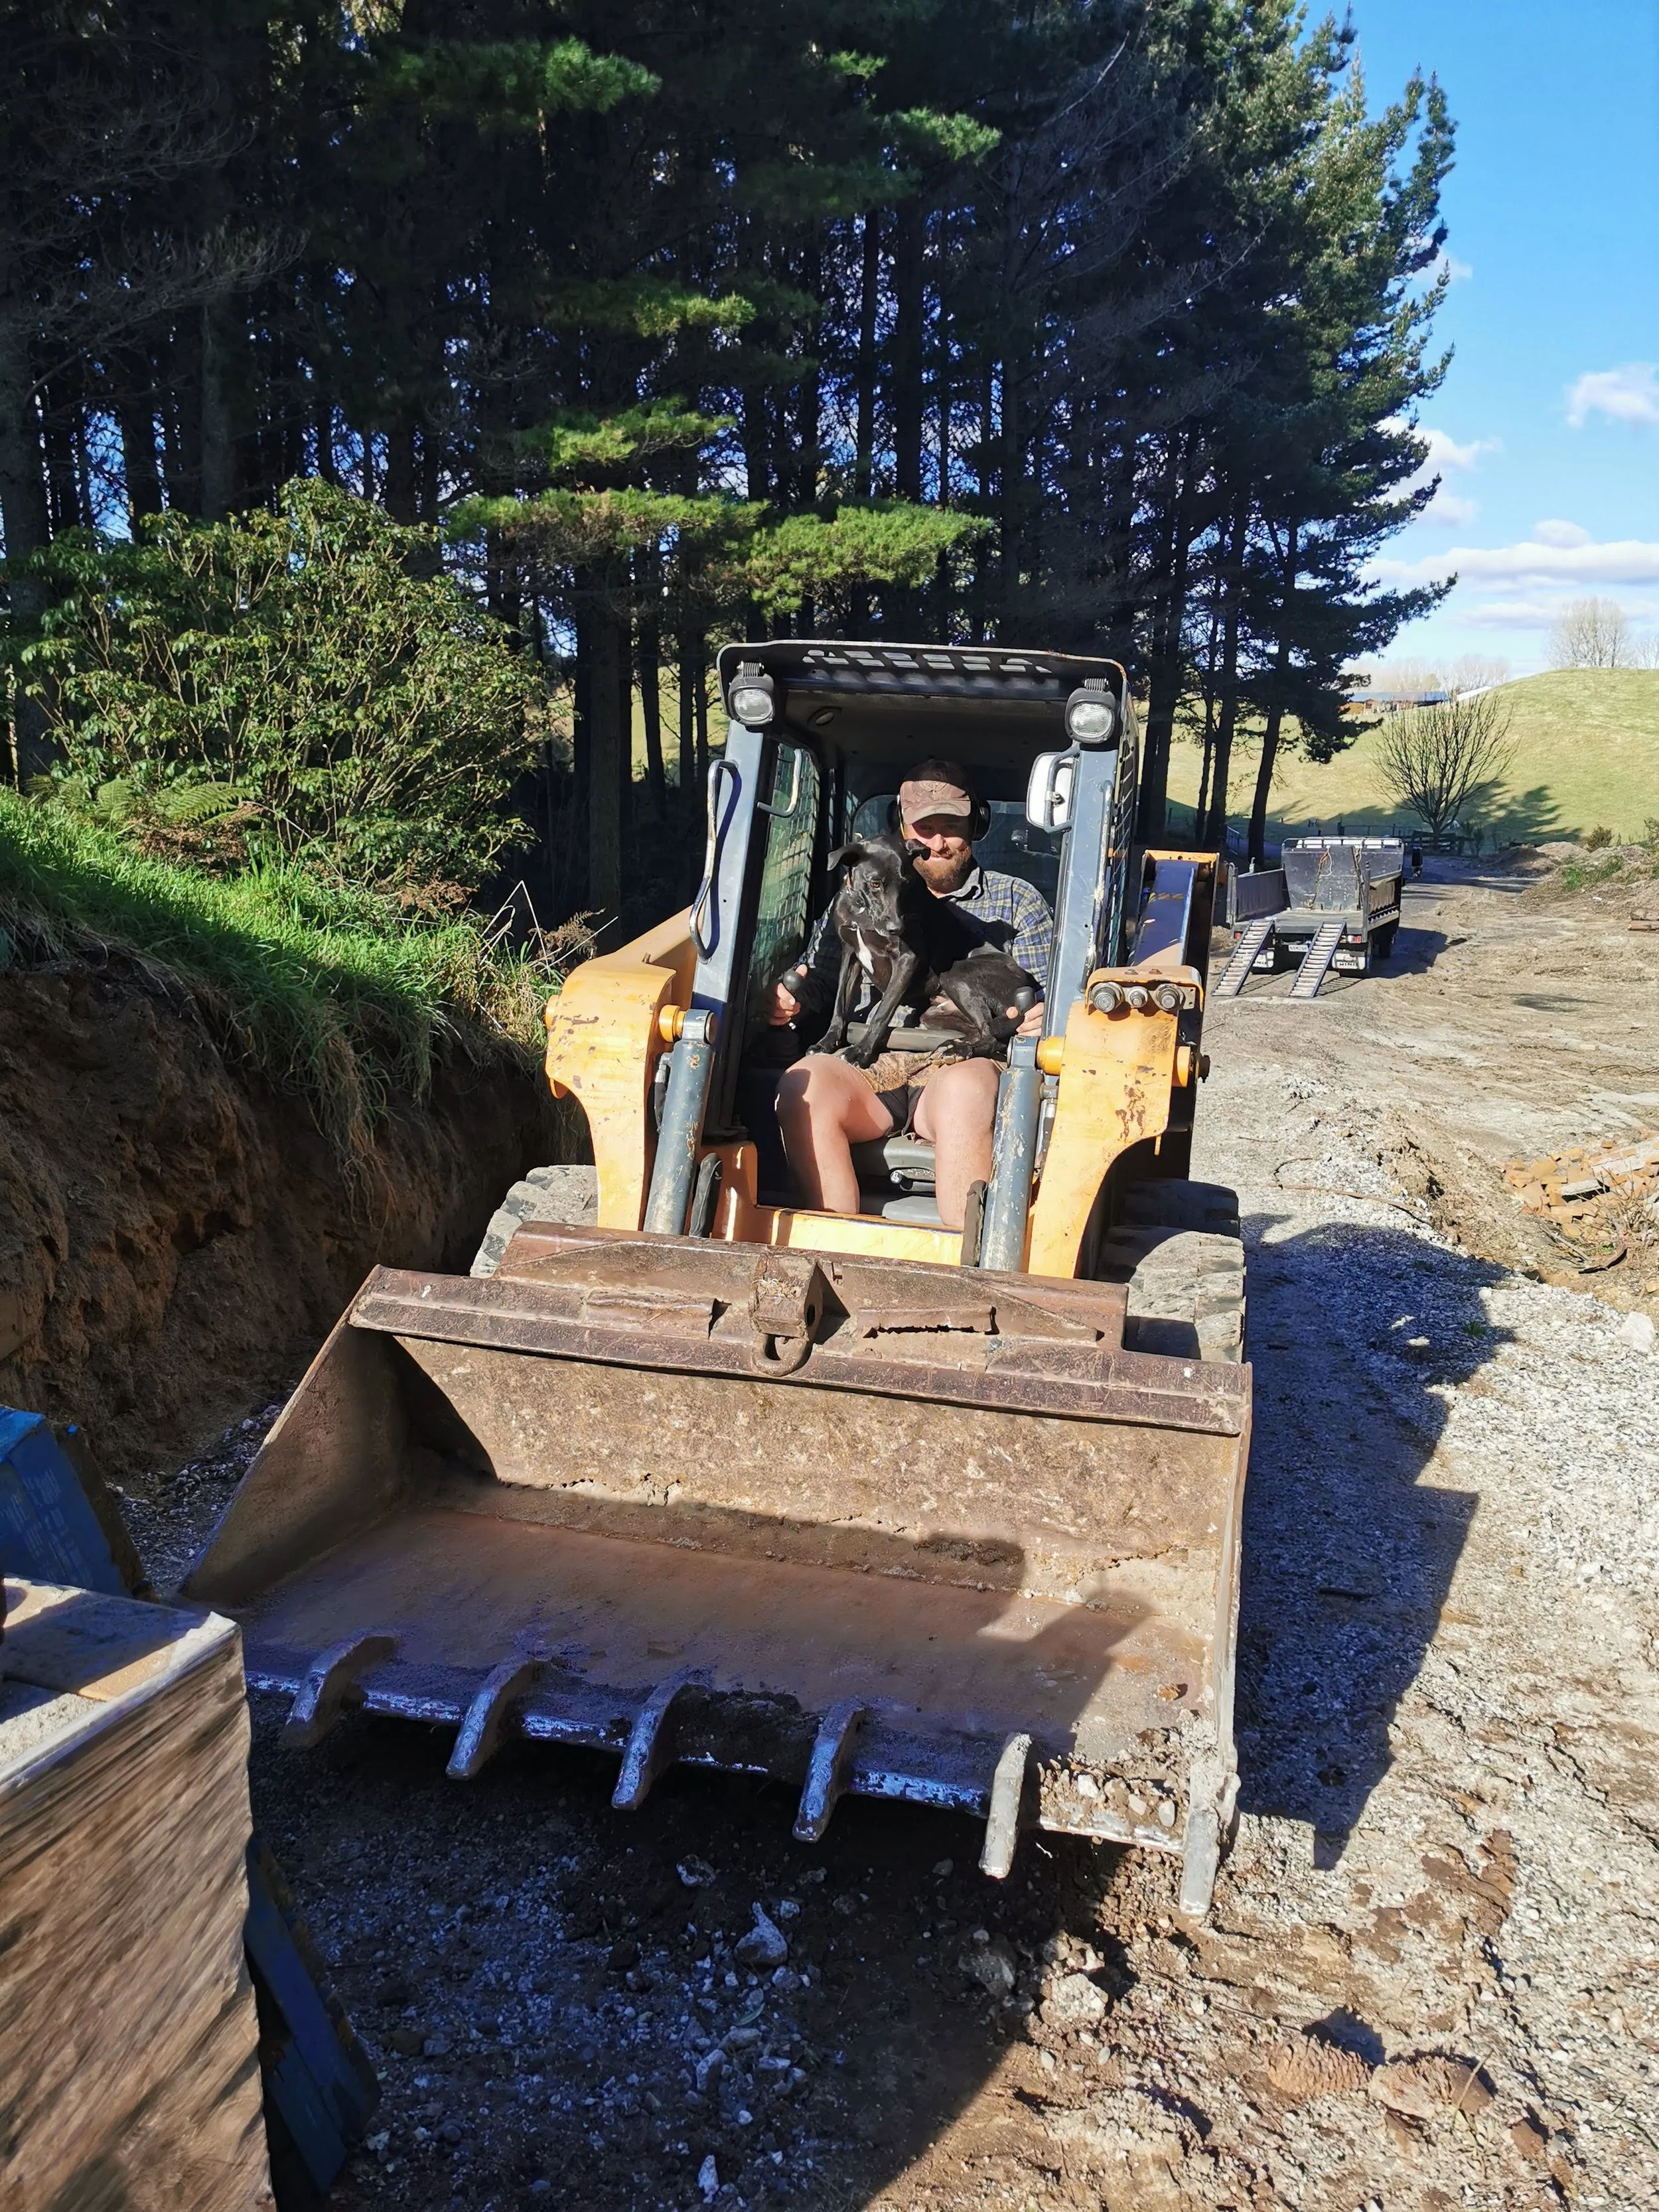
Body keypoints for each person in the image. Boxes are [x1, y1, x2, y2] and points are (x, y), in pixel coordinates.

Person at [769, 759, 1052, 1231]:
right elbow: (820, 978)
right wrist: (787, 1000)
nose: (937, 843)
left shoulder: (1016, 901)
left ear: (976, 827)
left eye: (951, 828)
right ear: (902, 833)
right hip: (869, 1063)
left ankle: (965, 1266)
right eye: (925, 828)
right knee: (804, 1086)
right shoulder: (858, 897)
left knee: (965, 1091)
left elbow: (1044, 997)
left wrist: (1040, 1017)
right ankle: (829, 1259)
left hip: (959, 1063)